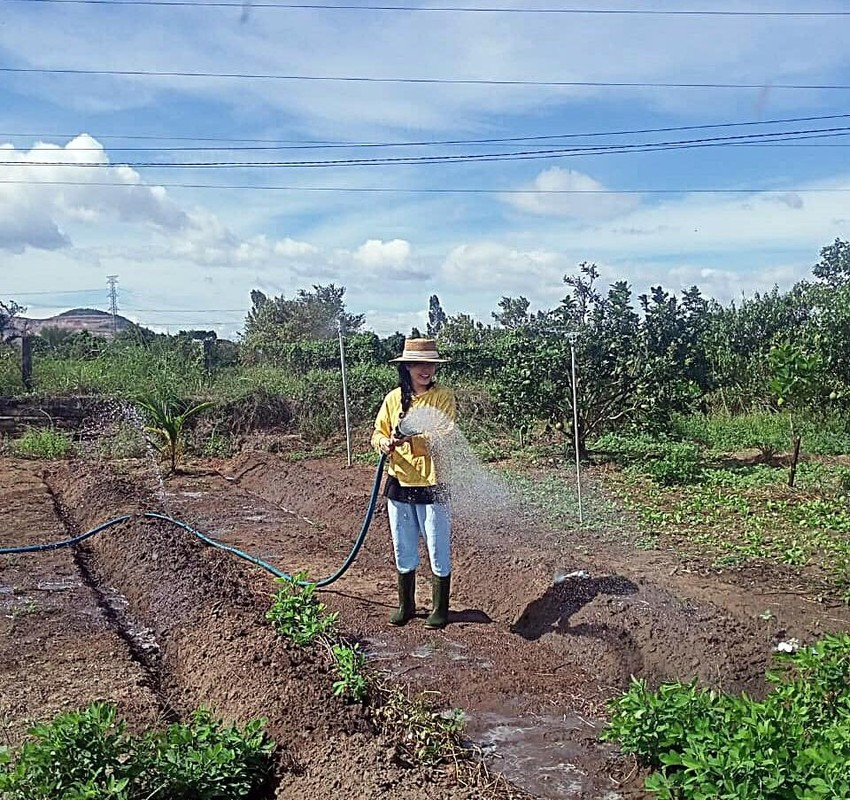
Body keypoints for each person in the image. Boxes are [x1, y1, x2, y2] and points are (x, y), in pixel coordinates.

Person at [371, 337, 456, 629]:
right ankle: (406, 605)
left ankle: (440, 608)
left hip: (433, 483)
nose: (426, 370)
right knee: (403, 544)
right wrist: (385, 443)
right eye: (419, 364)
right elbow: (378, 433)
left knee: (437, 544)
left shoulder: (443, 397)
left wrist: (413, 437)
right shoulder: (393, 399)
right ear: (407, 366)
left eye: (430, 364)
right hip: (400, 482)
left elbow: (444, 434)